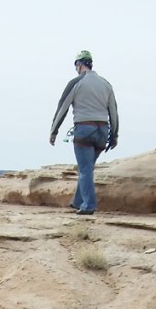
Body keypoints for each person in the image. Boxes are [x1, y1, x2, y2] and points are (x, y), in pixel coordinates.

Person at [49, 51, 118, 215]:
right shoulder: (106, 84)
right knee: (87, 168)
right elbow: (113, 111)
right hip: (103, 130)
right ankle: (78, 201)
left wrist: (54, 130)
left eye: (75, 65)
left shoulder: (76, 82)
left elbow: (63, 107)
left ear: (79, 64)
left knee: (85, 169)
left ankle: (89, 205)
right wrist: (114, 134)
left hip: (84, 128)